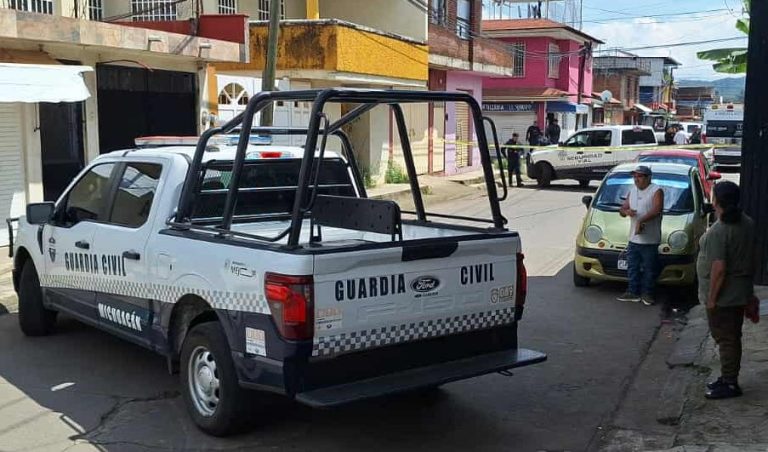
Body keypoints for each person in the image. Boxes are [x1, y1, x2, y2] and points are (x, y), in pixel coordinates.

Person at [697, 181, 756, 399]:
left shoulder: (721, 231)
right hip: (739, 290)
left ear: (717, 201)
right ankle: (727, 376)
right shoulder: (746, 222)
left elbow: (719, 268)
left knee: (726, 338)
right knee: (730, 335)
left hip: (725, 295)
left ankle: (730, 382)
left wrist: (712, 298)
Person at [618, 165, 664, 306]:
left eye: (639, 176)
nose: (636, 179)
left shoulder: (656, 190)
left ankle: (647, 294)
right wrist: (627, 212)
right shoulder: (633, 191)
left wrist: (642, 220)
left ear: (648, 178)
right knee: (633, 267)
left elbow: (657, 209)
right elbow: (622, 209)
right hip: (634, 238)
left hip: (650, 239)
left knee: (649, 268)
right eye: (635, 176)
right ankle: (633, 292)